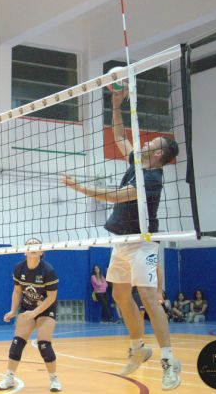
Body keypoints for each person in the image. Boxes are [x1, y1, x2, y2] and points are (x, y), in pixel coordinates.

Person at [61, 88, 181, 390]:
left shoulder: (151, 179)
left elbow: (115, 196)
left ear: (158, 154)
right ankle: (138, 347)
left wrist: (78, 187)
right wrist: (116, 107)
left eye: (151, 143)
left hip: (142, 243)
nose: (145, 142)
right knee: (119, 296)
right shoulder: (138, 164)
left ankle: (169, 361)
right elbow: (118, 137)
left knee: (149, 298)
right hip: (122, 241)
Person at [0, 238, 62, 392]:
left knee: (44, 344)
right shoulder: (19, 268)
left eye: (36, 245)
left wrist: (35, 313)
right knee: (17, 343)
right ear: (24, 251)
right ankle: (9, 378)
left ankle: (54, 379)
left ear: (41, 251)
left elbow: (51, 298)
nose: (32, 247)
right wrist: (13, 311)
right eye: (29, 245)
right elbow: (17, 291)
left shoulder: (48, 271)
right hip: (27, 308)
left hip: (46, 309)